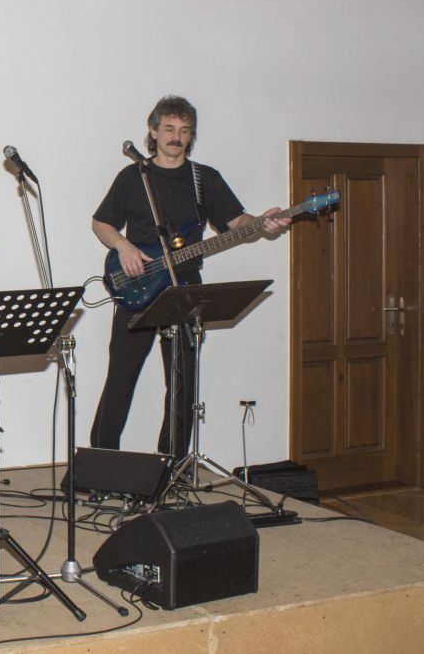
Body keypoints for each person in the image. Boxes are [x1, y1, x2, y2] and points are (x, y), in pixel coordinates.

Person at [89, 95, 289, 457]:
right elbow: (101, 222)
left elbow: (237, 222)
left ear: (191, 136)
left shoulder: (204, 179)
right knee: (121, 376)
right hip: (137, 286)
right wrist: (123, 245)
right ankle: (102, 459)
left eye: (184, 131)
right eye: (169, 129)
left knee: (182, 384)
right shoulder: (133, 177)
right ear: (153, 131)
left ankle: (172, 462)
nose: (176, 137)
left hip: (184, 289)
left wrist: (262, 223)